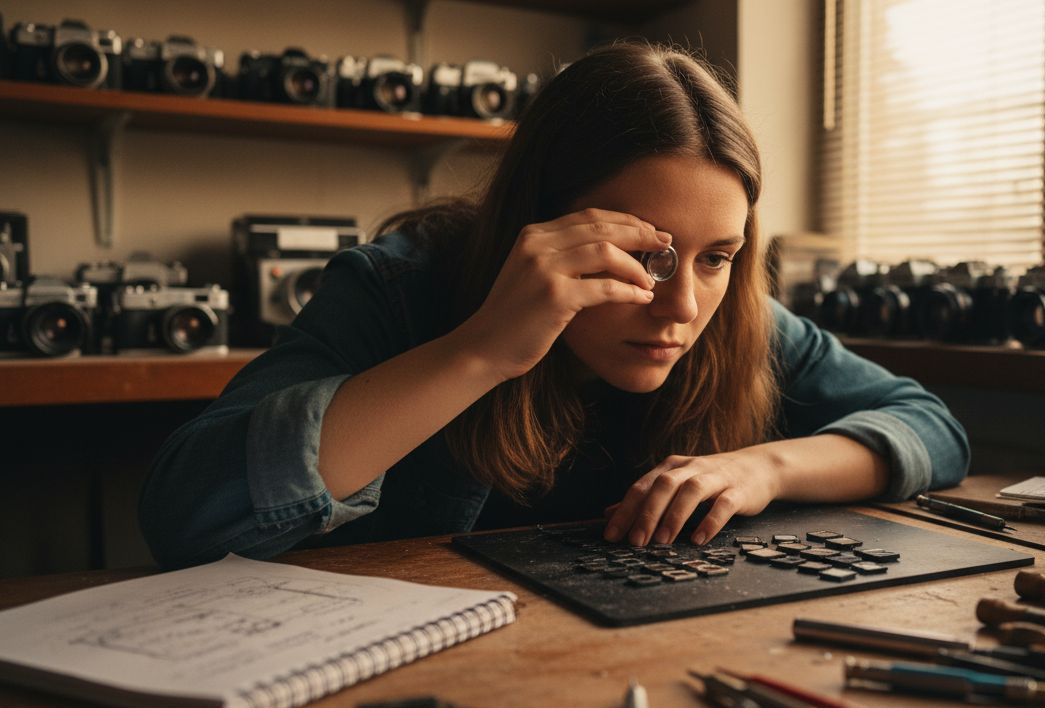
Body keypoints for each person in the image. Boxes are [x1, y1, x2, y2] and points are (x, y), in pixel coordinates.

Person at [139, 42, 969, 569]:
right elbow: (186, 515)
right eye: (648, 255)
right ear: (539, 222)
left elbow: (929, 426)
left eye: (718, 258)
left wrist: (763, 467)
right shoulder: (396, 288)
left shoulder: (737, 314)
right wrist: (482, 351)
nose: (681, 305)